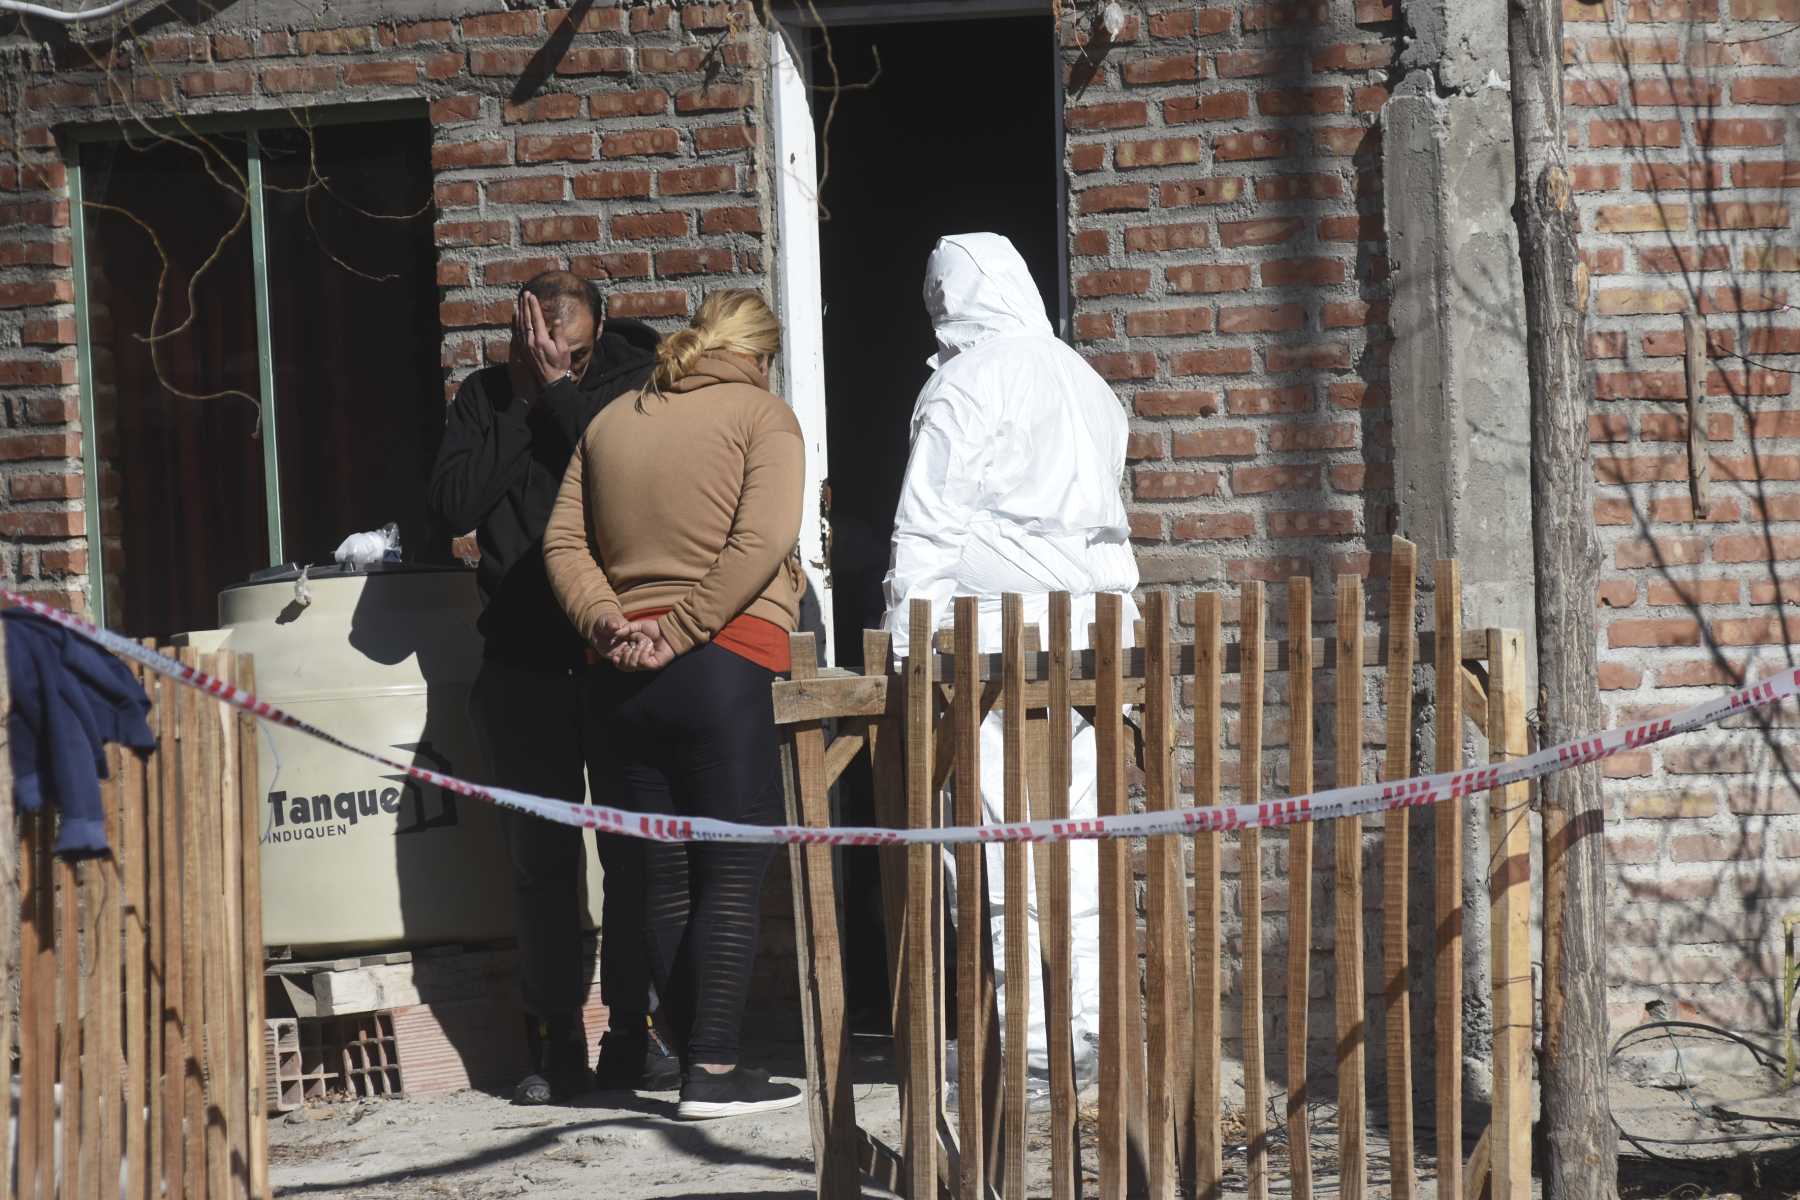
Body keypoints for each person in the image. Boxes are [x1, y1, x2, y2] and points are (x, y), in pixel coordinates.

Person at [882, 233, 1140, 1098]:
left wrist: (905, 646)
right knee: (1079, 849)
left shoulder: (964, 383)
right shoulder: (1089, 383)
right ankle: (1088, 1039)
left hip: (987, 653)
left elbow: (927, 524)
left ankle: (1028, 1048)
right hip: (1091, 649)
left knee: (994, 854)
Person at [543, 289, 807, 1121]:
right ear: (759, 355)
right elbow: (760, 542)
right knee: (731, 871)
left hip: (618, 676)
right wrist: (685, 625)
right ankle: (715, 1072)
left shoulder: (613, 417)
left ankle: (695, 1061)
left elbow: (563, 542)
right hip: (720, 665)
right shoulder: (763, 417)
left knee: (659, 880)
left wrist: (609, 619)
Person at [427, 270, 677, 1104]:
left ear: (595, 336)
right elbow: (453, 505)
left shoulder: (631, 386)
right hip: (522, 664)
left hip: (613, 661)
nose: (546, 357)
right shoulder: (487, 398)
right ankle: (555, 1040)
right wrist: (528, 400)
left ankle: (637, 1037)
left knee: (632, 855)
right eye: (536, 343)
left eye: (565, 349)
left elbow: (622, 484)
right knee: (541, 862)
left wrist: (564, 394)